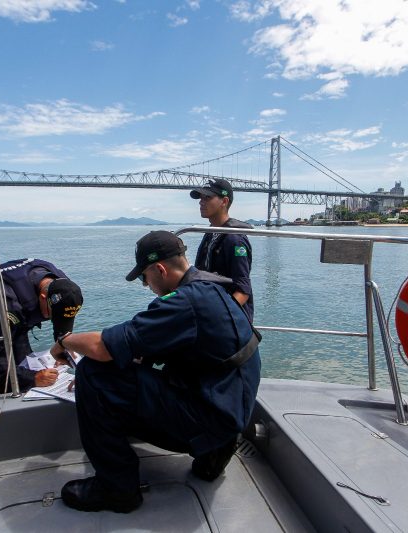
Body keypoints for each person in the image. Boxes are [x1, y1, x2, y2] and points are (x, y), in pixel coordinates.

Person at [50, 231, 261, 513]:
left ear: (159, 269)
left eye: (144, 277)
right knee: (118, 367)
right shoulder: (213, 289)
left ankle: (117, 490)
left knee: (92, 373)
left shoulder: (183, 303)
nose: (146, 285)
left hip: (209, 420)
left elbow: (102, 347)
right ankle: (214, 453)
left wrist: (63, 342)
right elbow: (145, 350)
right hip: (231, 411)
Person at [0, 258, 83, 396]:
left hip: (19, 309)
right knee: (1, 375)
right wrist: (32, 378)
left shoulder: (63, 288)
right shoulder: (6, 304)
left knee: (25, 362)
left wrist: (62, 347)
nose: (53, 320)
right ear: (43, 297)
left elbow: (62, 322)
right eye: (52, 316)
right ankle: (1, 411)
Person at [189, 178, 254, 320]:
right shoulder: (212, 233)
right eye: (200, 198)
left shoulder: (235, 240)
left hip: (229, 322)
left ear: (224, 201)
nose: (201, 202)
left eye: (207, 197)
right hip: (211, 309)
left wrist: (217, 318)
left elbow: (243, 291)